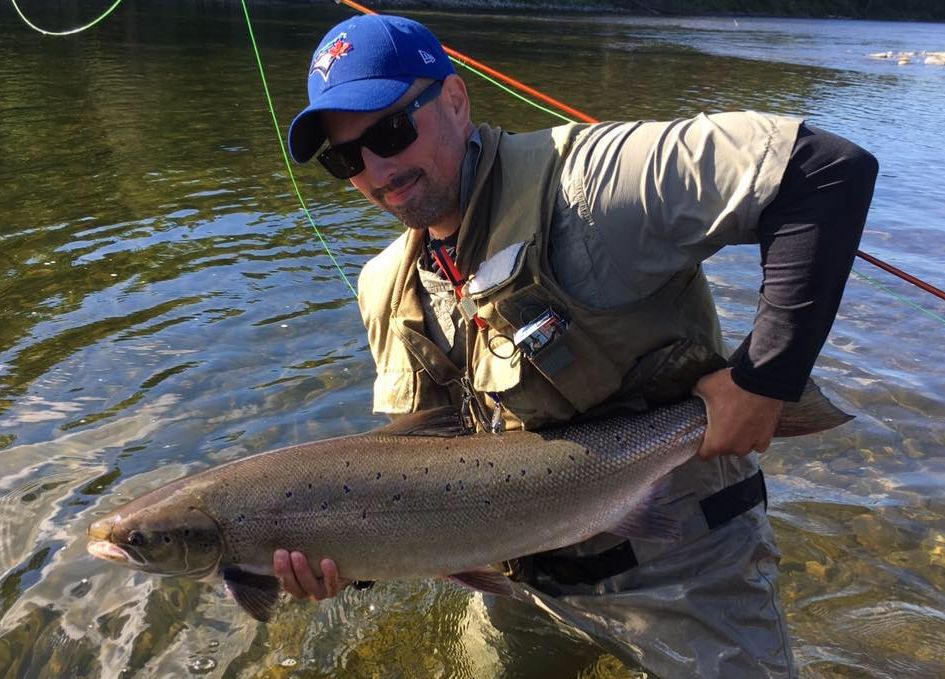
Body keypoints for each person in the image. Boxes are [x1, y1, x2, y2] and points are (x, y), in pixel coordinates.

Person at [273, 13, 878, 679]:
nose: (376, 169)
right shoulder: (383, 285)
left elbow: (822, 168)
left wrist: (765, 380)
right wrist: (346, 557)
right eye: (344, 158)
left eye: (388, 130)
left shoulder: (591, 184)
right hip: (524, 587)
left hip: (686, 564)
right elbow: (419, 467)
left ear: (453, 99)